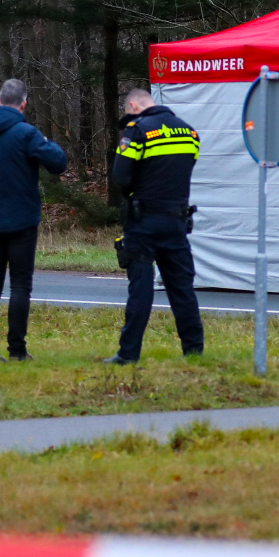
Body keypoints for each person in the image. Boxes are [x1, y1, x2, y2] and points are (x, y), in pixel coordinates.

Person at [0, 78, 68, 362]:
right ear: (23, 104)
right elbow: (58, 162)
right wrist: (45, 141)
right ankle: (17, 350)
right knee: (20, 285)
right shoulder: (26, 133)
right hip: (22, 221)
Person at [104, 88, 204, 365]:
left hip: (143, 222)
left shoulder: (137, 131)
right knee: (182, 288)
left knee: (141, 288)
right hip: (177, 221)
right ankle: (194, 351)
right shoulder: (189, 132)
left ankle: (128, 353)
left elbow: (121, 177)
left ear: (134, 106)